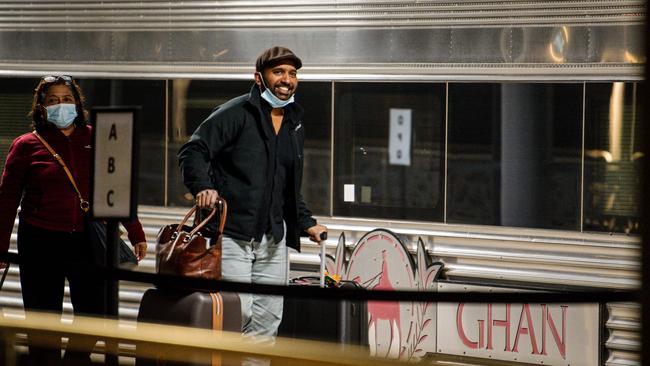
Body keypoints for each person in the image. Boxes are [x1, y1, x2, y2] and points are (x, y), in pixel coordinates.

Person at [178, 46, 327, 339]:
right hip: (233, 233)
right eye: (278, 72)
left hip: (273, 236)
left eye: (292, 73)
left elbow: (286, 183)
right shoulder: (235, 113)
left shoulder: (294, 123)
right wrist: (203, 187)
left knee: (268, 318)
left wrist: (306, 221)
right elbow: (193, 150)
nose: (287, 79)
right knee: (239, 313)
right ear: (259, 78)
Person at [0, 75, 148, 366]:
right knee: (43, 321)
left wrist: (136, 232)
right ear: (41, 108)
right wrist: (0, 248)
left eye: (67, 99)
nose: (61, 105)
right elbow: (6, 200)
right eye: (52, 100)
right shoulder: (26, 145)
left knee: (95, 315)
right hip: (40, 240)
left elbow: (117, 186)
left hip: (88, 240)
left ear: (78, 104)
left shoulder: (99, 138)